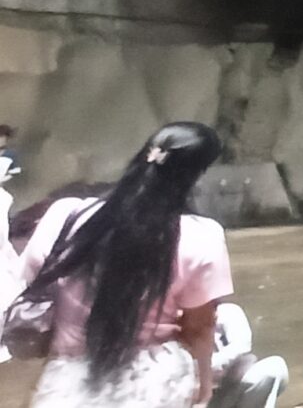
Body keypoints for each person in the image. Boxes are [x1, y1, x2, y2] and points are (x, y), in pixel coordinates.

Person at [14, 121, 233, 408]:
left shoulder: (64, 215)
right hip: (153, 381)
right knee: (233, 321)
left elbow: (30, 283)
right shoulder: (201, 235)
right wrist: (204, 385)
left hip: (66, 377)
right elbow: (199, 328)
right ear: (196, 174)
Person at [204, 303, 287, 408]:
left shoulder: (228, 311)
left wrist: (210, 366)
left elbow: (242, 346)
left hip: (228, 387)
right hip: (192, 398)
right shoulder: (178, 320)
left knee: (275, 367)